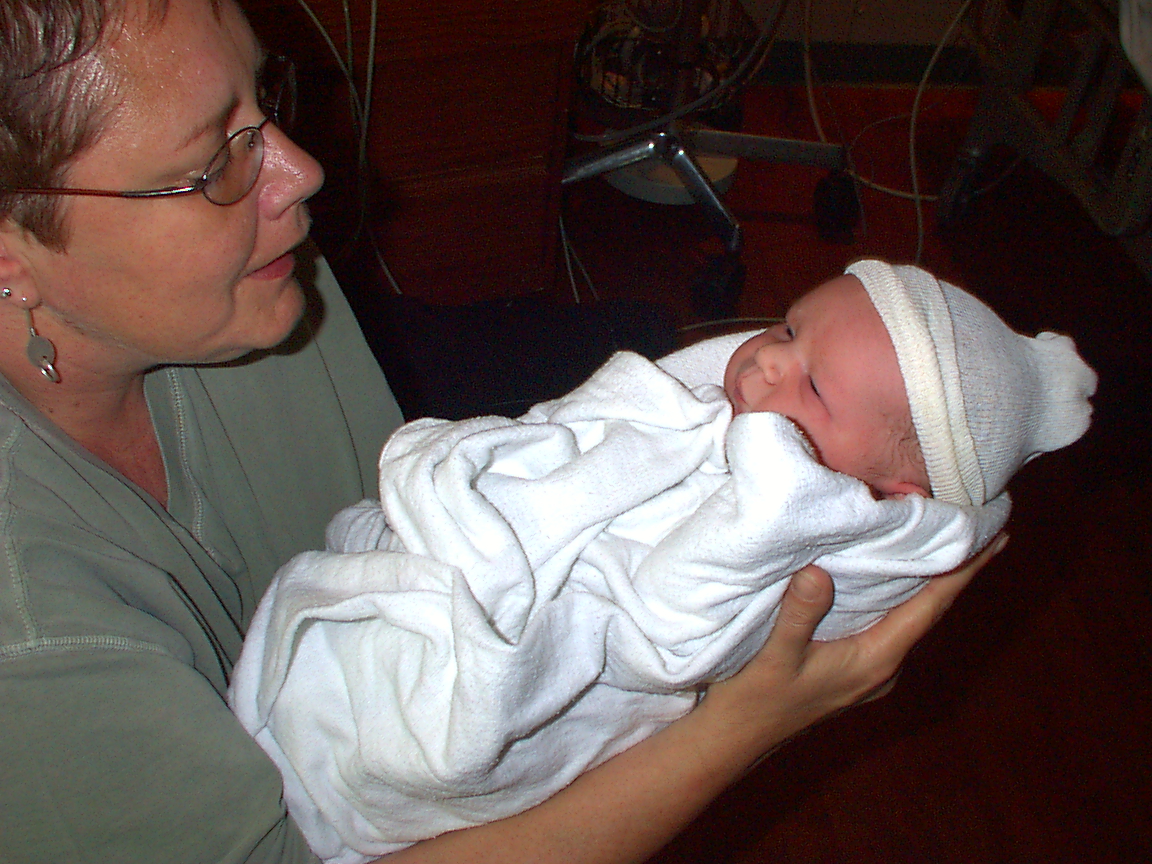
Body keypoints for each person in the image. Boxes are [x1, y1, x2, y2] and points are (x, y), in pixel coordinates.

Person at [0, 1, 1007, 862]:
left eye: (265, 102)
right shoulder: (34, 649)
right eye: (214, 160)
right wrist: (747, 724)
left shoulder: (257, 282)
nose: (300, 172)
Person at [230, 259, 1095, 862]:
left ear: (890, 492)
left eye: (813, 385)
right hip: (502, 565)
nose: (765, 360)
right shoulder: (735, 419)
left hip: (556, 668)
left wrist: (772, 495)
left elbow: (664, 640)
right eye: (788, 326)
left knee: (440, 710)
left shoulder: (793, 548)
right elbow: (595, 430)